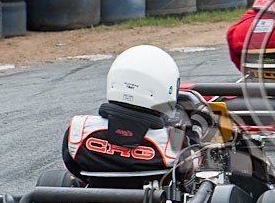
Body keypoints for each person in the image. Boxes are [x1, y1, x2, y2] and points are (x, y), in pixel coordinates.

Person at [62, 45, 197, 187]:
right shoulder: (174, 141)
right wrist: (195, 131)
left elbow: (74, 169)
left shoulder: (79, 130)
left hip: (91, 202)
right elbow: (189, 172)